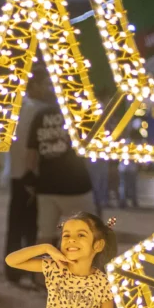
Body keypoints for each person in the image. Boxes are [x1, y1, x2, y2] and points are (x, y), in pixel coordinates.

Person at [4, 67, 49, 285]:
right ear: (33, 87)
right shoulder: (37, 111)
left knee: (15, 224)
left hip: (16, 174)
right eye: (43, 85)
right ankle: (30, 270)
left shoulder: (17, 110)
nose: (46, 89)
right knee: (31, 226)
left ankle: (13, 270)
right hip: (31, 175)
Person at [26, 104, 95, 246]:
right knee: (87, 234)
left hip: (46, 185)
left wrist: (30, 177)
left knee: (45, 236)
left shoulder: (41, 114)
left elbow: (31, 154)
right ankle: (79, 267)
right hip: (76, 185)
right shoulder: (80, 112)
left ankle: (45, 267)